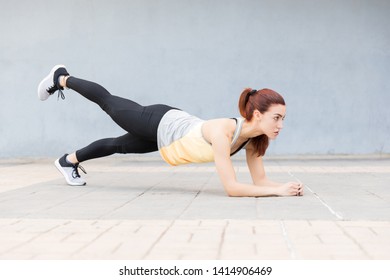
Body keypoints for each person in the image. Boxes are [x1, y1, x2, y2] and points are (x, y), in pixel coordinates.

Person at [38, 65, 304, 197]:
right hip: (160, 120)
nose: (280, 125)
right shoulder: (225, 132)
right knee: (108, 102)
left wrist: (284, 187)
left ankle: (68, 160)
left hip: (169, 139)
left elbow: (260, 182)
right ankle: (62, 78)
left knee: (119, 145)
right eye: (277, 118)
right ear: (257, 114)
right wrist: (277, 192)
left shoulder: (254, 140)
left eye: (284, 119)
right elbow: (232, 188)